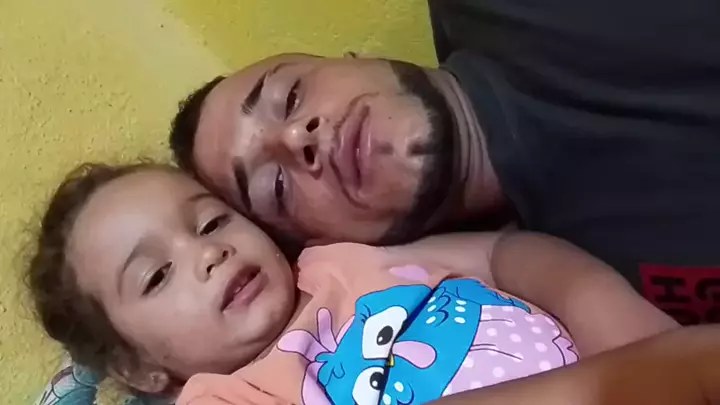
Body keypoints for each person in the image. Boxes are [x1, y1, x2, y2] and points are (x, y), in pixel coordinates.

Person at [168, 0, 720, 326]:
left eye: (290, 95)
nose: (296, 138)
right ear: (320, 246)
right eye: (276, 186)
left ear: (352, 58)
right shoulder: (552, 314)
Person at [28, 162, 674, 404]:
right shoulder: (225, 396)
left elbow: (507, 253)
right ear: (139, 369)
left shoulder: (338, 261)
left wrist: (611, 315)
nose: (209, 253)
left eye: (211, 220)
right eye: (158, 275)